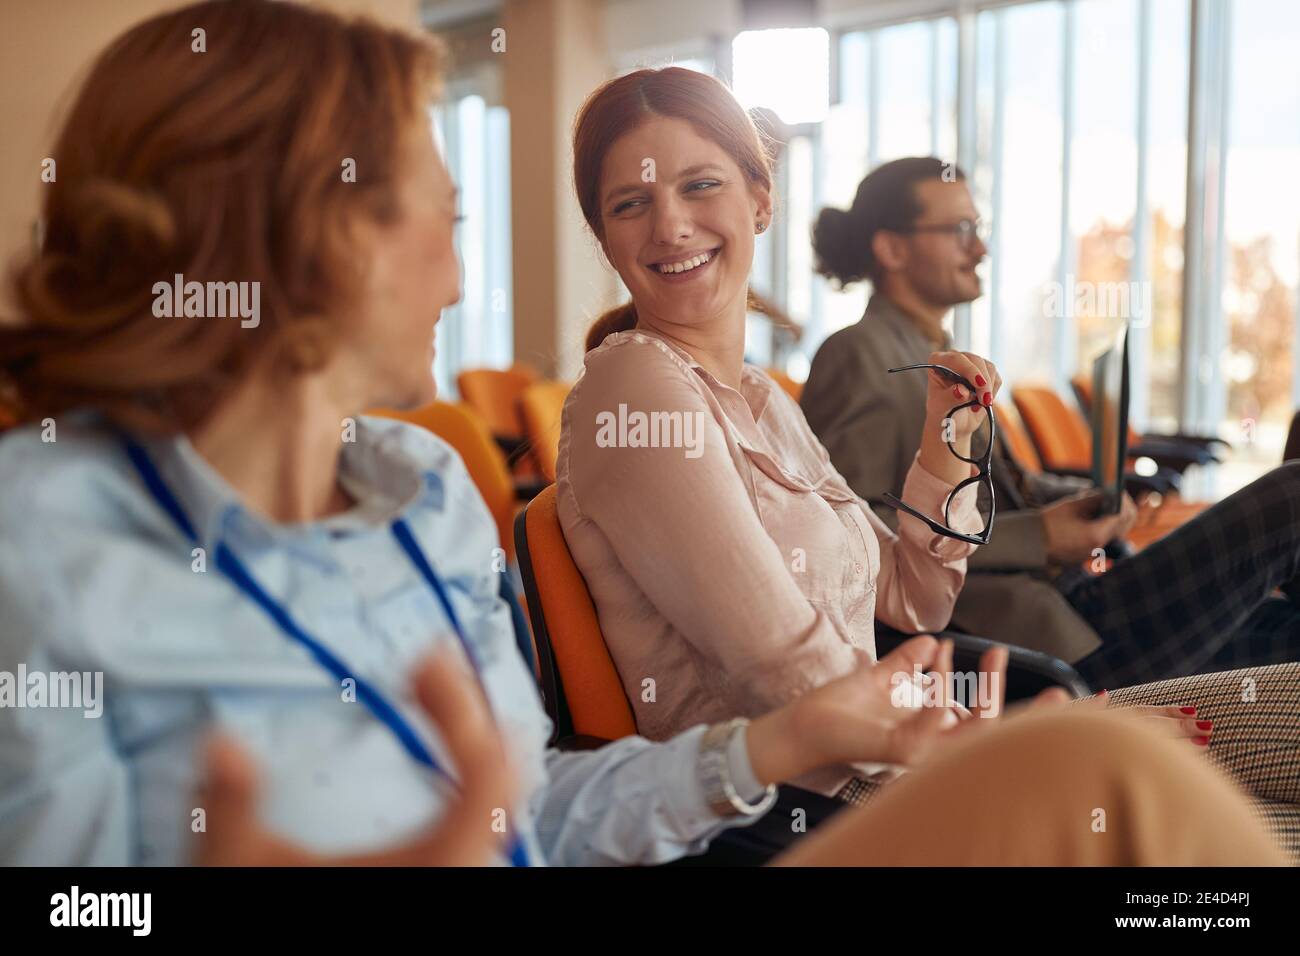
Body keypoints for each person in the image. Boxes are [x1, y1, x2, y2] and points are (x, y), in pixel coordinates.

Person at [4, 0, 1279, 869]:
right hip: (791, 822)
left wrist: (790, 728)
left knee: (1215, 760)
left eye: (701, 184)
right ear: (309, 228)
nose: (461, 277)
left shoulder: (421, 495)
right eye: (441, 215)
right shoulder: (37, 547)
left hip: (813, 762)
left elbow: (542, 806)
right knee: (1134, 781)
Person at [554, 66, 1300, 854]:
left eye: (699, 186)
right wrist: (1024, 745)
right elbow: (781, 671)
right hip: (821, 802)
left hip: (903, 744)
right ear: (605, 236)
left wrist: (947, 444)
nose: (669, 225)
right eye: (630, 203)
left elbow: (914, 599)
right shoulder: (634, 388)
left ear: (760, 200)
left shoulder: (761, 398)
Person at [801, 158, 1300, 690]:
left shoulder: (928, 353)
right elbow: (851, 540)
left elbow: (1000, 489)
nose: (981, 249)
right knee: (1291, 496)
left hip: (1071, 601)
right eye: (960, 230)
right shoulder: (860, 355)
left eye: (979, 229)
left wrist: (1076, 499)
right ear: (892, 248)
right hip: (1049, 641)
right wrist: (1039, 537)